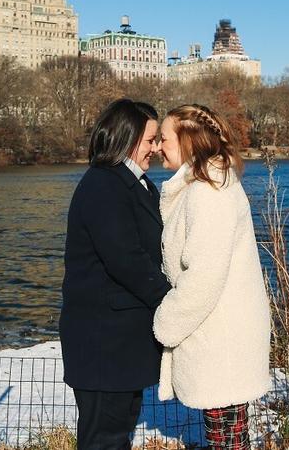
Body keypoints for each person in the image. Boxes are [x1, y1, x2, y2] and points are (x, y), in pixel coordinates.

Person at [153, 104, 270, 450]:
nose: (158, 146)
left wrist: (166, 322)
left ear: (188, 142)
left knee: (227, 441)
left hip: (221, 340)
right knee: (230, 438)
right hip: (220, 335)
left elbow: (203, 276)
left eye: (164, 138)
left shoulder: (209, 192)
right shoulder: (207, 185)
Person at [59, 98, 171, 450]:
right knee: (104, 439)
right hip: (103, 343)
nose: (155, 148)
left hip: (121, 342)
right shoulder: (104, 184)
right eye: (150, 140)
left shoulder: (135, 184)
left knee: (115, 434)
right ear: (127, 136)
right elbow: (126, 259)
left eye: (156, 140)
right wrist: (172, 301)